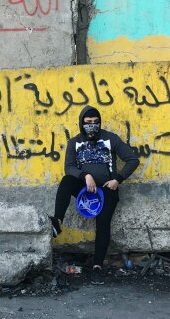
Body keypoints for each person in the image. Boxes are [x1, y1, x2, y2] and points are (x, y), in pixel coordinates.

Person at [49, 106, 139, 285]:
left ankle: (97, 266)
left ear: (99, 123)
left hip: (107, 188)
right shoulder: (74, 142)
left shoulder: (111, 138)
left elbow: (132, 159)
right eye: (88, 122)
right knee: (67, 181)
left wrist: (118, 179)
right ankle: (57, 222)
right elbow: (69, 167)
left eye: (95, 122)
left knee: (103, 223)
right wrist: (85, 176)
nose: (92, 125)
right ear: (82, 123)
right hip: (85, 187)